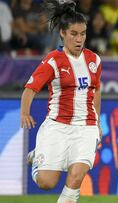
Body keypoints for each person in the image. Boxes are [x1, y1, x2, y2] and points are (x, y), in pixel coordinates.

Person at [20, 1, 102, 202]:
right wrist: (24, 112)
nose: (79, 38)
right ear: (63, 34)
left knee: (76, 178)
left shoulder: (94, 60)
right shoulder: (52, 61)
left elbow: (97, 90)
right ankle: (38, 155)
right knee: (46, 183)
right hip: (58, 126)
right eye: (74, 34)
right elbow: (30, 89)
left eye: (83, 34)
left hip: (86, 127)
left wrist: (97, 122)